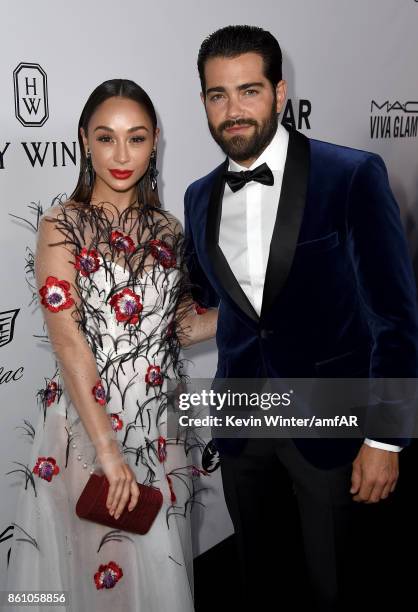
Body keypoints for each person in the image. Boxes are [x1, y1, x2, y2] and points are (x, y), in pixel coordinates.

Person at [183, 25, 418, 611]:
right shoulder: (198, 196)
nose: (233, 110)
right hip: (242, 422)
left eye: (249, 91)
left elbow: (394, 316)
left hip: (334, 422)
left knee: (338, 585)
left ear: (281, 93)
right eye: (218, 95)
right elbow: (212, 300)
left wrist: (387, 438)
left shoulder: (352, 175)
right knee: (259, 581)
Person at [5, 79, 217, 612]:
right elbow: (69, 343)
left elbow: (179, 329)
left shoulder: (168, 230)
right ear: (84, 140)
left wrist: (256, 310)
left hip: (156, 430)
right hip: (86, 430)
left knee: (154, 573)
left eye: (137, 138)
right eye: (106, 138)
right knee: (88, 577)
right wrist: (108, 451)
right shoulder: (62, 225)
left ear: (156, 142)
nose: (122, 155)